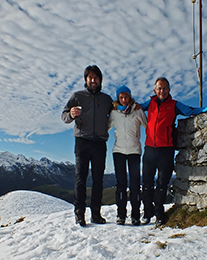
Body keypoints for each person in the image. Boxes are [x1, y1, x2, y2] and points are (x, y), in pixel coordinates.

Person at [140, 77, 207, 226]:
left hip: (166, 150)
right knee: (147, 184)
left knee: (162, 183)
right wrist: (119, 106)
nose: (161, 91)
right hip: (149, 149)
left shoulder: (174, 105)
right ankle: (147, 212)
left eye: (164, 88)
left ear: (169, 90)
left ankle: (159, 214)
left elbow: (190, 111)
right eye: (159, 88)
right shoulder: (149, 103)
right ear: (154, 90)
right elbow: (134, 107)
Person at [61, 65, 113, 226]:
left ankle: (96, 214)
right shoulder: (77, 96)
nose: (93, 80)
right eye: (90, 77)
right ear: (86, 80)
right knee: (80, 179)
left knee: (98, 180)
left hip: (99, 143)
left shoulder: (106, 99)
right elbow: (64, 116)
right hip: (82, 141)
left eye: (96, 77)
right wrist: (70, 114)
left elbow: (118, 112)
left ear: (100, 80)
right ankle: (79, 214)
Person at [108, 85, 147, 226]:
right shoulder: (113, 113)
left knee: (135, 185)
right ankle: (121, 215)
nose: (124, 99)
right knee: (121, 184)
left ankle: (135, 215)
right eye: (121, 97)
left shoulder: (137, 111)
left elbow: (148, 125)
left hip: (134, 151)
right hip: (118, 151)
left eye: (126, 96)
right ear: (118, 98)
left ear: (130, 97)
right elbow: (105, 128)